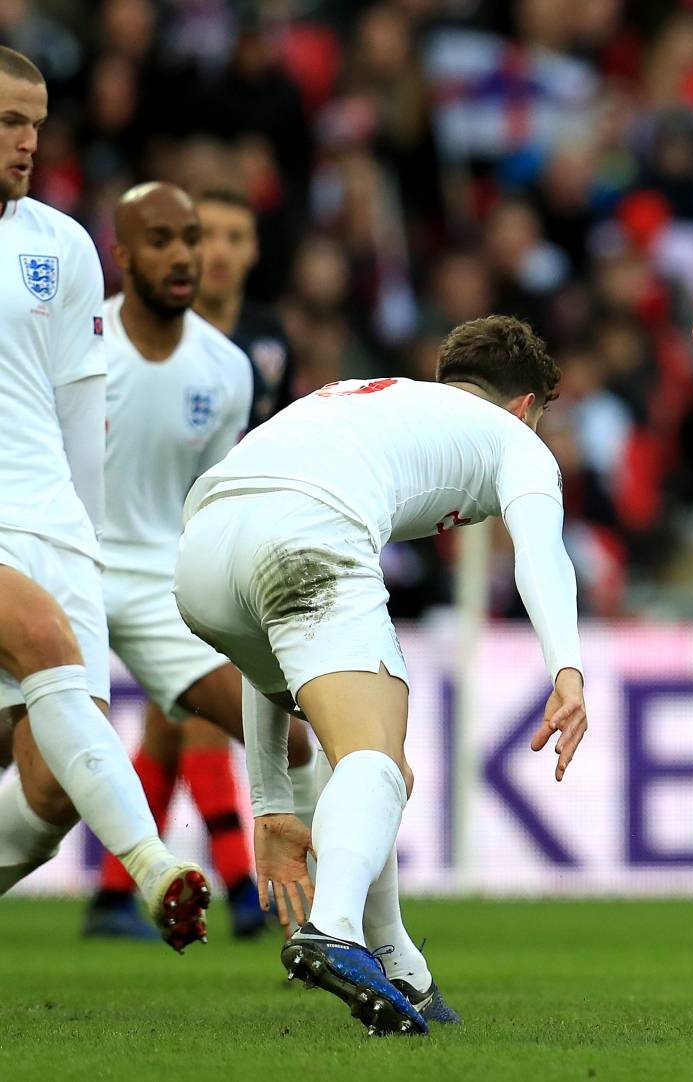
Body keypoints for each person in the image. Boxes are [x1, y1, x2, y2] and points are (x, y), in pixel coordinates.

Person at [173, 314, 588, 1035]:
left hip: (200, 559)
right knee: (377, 760)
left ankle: (401, 967)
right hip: (308, 536)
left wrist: (273, 805)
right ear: (527, 406)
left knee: (376, 763)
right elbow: (541, 555)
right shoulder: (512, 438)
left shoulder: (367, 400)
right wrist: (568, 668)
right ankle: (335, 927)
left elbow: (270, 659)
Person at [0, 46, 210, 950]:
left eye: (37, 123)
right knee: (43, 643)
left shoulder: (61, 244)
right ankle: (155, 865)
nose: (26, 141)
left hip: (51, 518)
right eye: (8, 119)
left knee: (48, 792)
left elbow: (79, 407)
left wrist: (82, 533)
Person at [80, 182, 319, 942]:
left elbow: (235, 477)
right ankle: (212, 881)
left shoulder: (249, 354)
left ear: (250, 251)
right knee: (64, 766)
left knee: (260, 730)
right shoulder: (88, 343)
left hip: (173, 569)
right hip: (81, 564)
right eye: (183, 236)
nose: (199, 252)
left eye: (214, 236)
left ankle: (313, 917)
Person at [191, 188, 296, 429]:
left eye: (235, 238)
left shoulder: (270, 331)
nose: (221, 253)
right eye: (206, 234)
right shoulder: (167, 332)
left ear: (254, 250)